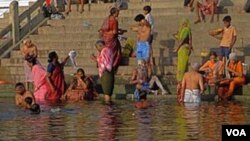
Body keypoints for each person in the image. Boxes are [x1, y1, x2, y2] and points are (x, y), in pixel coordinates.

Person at [173, 19, 193, 100]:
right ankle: (181, 89)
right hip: (184, 49)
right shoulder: (185, 30)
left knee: (181, 68)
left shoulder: (186, 30)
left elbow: (182, 40)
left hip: (183, 49)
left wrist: (177, 48)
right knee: (181, 68)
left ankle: (180, 88)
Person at [91, 40, 114, 104]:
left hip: (106, 72)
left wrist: (95, 59)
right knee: (108, 91)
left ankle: (107, 108)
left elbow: (104, 63)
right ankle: (108, 106)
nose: (97, 49)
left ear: (100, 45)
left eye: (97, 47)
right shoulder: (108, 50)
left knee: (107, 91)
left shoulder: (105, 50)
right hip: (108, 72)